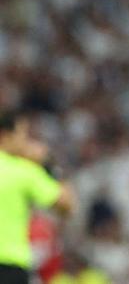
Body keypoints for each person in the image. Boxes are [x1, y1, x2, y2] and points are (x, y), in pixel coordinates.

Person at [0, 113, 76, 284]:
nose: (27, 143)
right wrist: (48, 164)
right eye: (23, 135)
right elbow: (67, 205)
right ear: (5, 135)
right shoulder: (22, 171)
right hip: (9, 263)